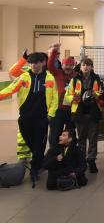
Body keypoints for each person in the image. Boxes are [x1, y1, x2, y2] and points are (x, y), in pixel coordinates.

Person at [0, 52, 58, 182]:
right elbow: (10, 89)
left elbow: (55, 97)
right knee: (31, 142)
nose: (34, 65)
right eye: (31, 63)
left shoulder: (49, 78)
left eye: (36, 63)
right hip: (25, 118)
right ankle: (39, 161)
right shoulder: (24, 77)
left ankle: (35, 170)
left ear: (42, 63)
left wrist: (50, 115)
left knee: (39, 144)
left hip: (42, 118)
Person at [64, 58, 102, 174]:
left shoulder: (96, 79)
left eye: (89, 65)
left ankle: (91, 160)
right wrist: (73, 98)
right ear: (80, 67)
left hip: (93, 113)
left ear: (92, 67)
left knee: (93, 138)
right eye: (84, 65)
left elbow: (100, 92)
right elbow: (67, 95)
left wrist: (97, 96)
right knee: (81, 139)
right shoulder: (75, 80)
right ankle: (82, 161)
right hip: (79, 113)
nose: (86, 67)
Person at [47, 43, 77, 146]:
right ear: (62, 65)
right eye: (66, 65)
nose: (68, 67)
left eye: (70, 65)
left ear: (73, 66)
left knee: (71, 134)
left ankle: (70, 154)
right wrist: (54, 51)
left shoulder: (76, 76)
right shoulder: (57, 73)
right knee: (55, 134)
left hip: (71, 110)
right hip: (58, 110)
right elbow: (50, 65)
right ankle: (54, 154)